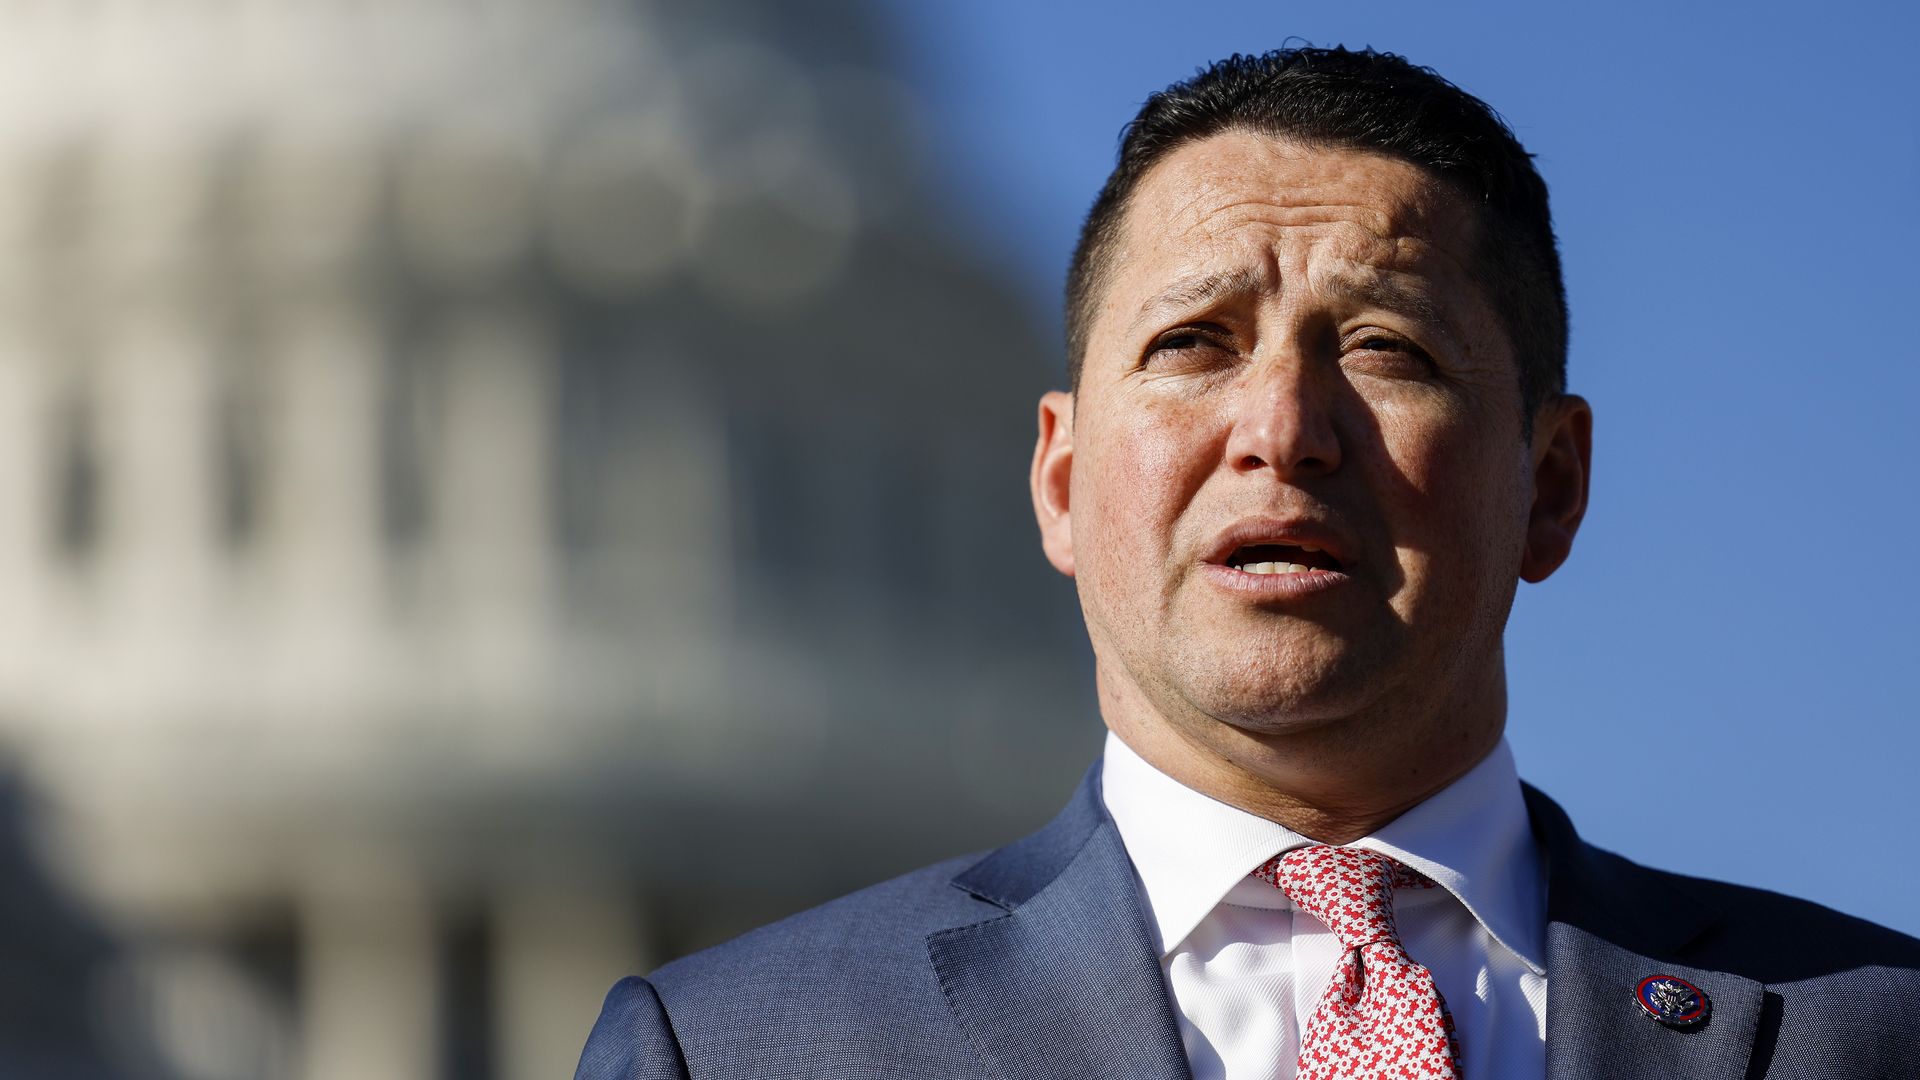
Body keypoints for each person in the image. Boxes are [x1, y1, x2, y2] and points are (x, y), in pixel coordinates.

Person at [576, 47, 1920, 1080]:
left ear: (1552, 485)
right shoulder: (742, 1050)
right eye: (1192, 345)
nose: (1281, 430)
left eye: (1388, 348)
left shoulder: (1864, 1029)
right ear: (1060, 479)